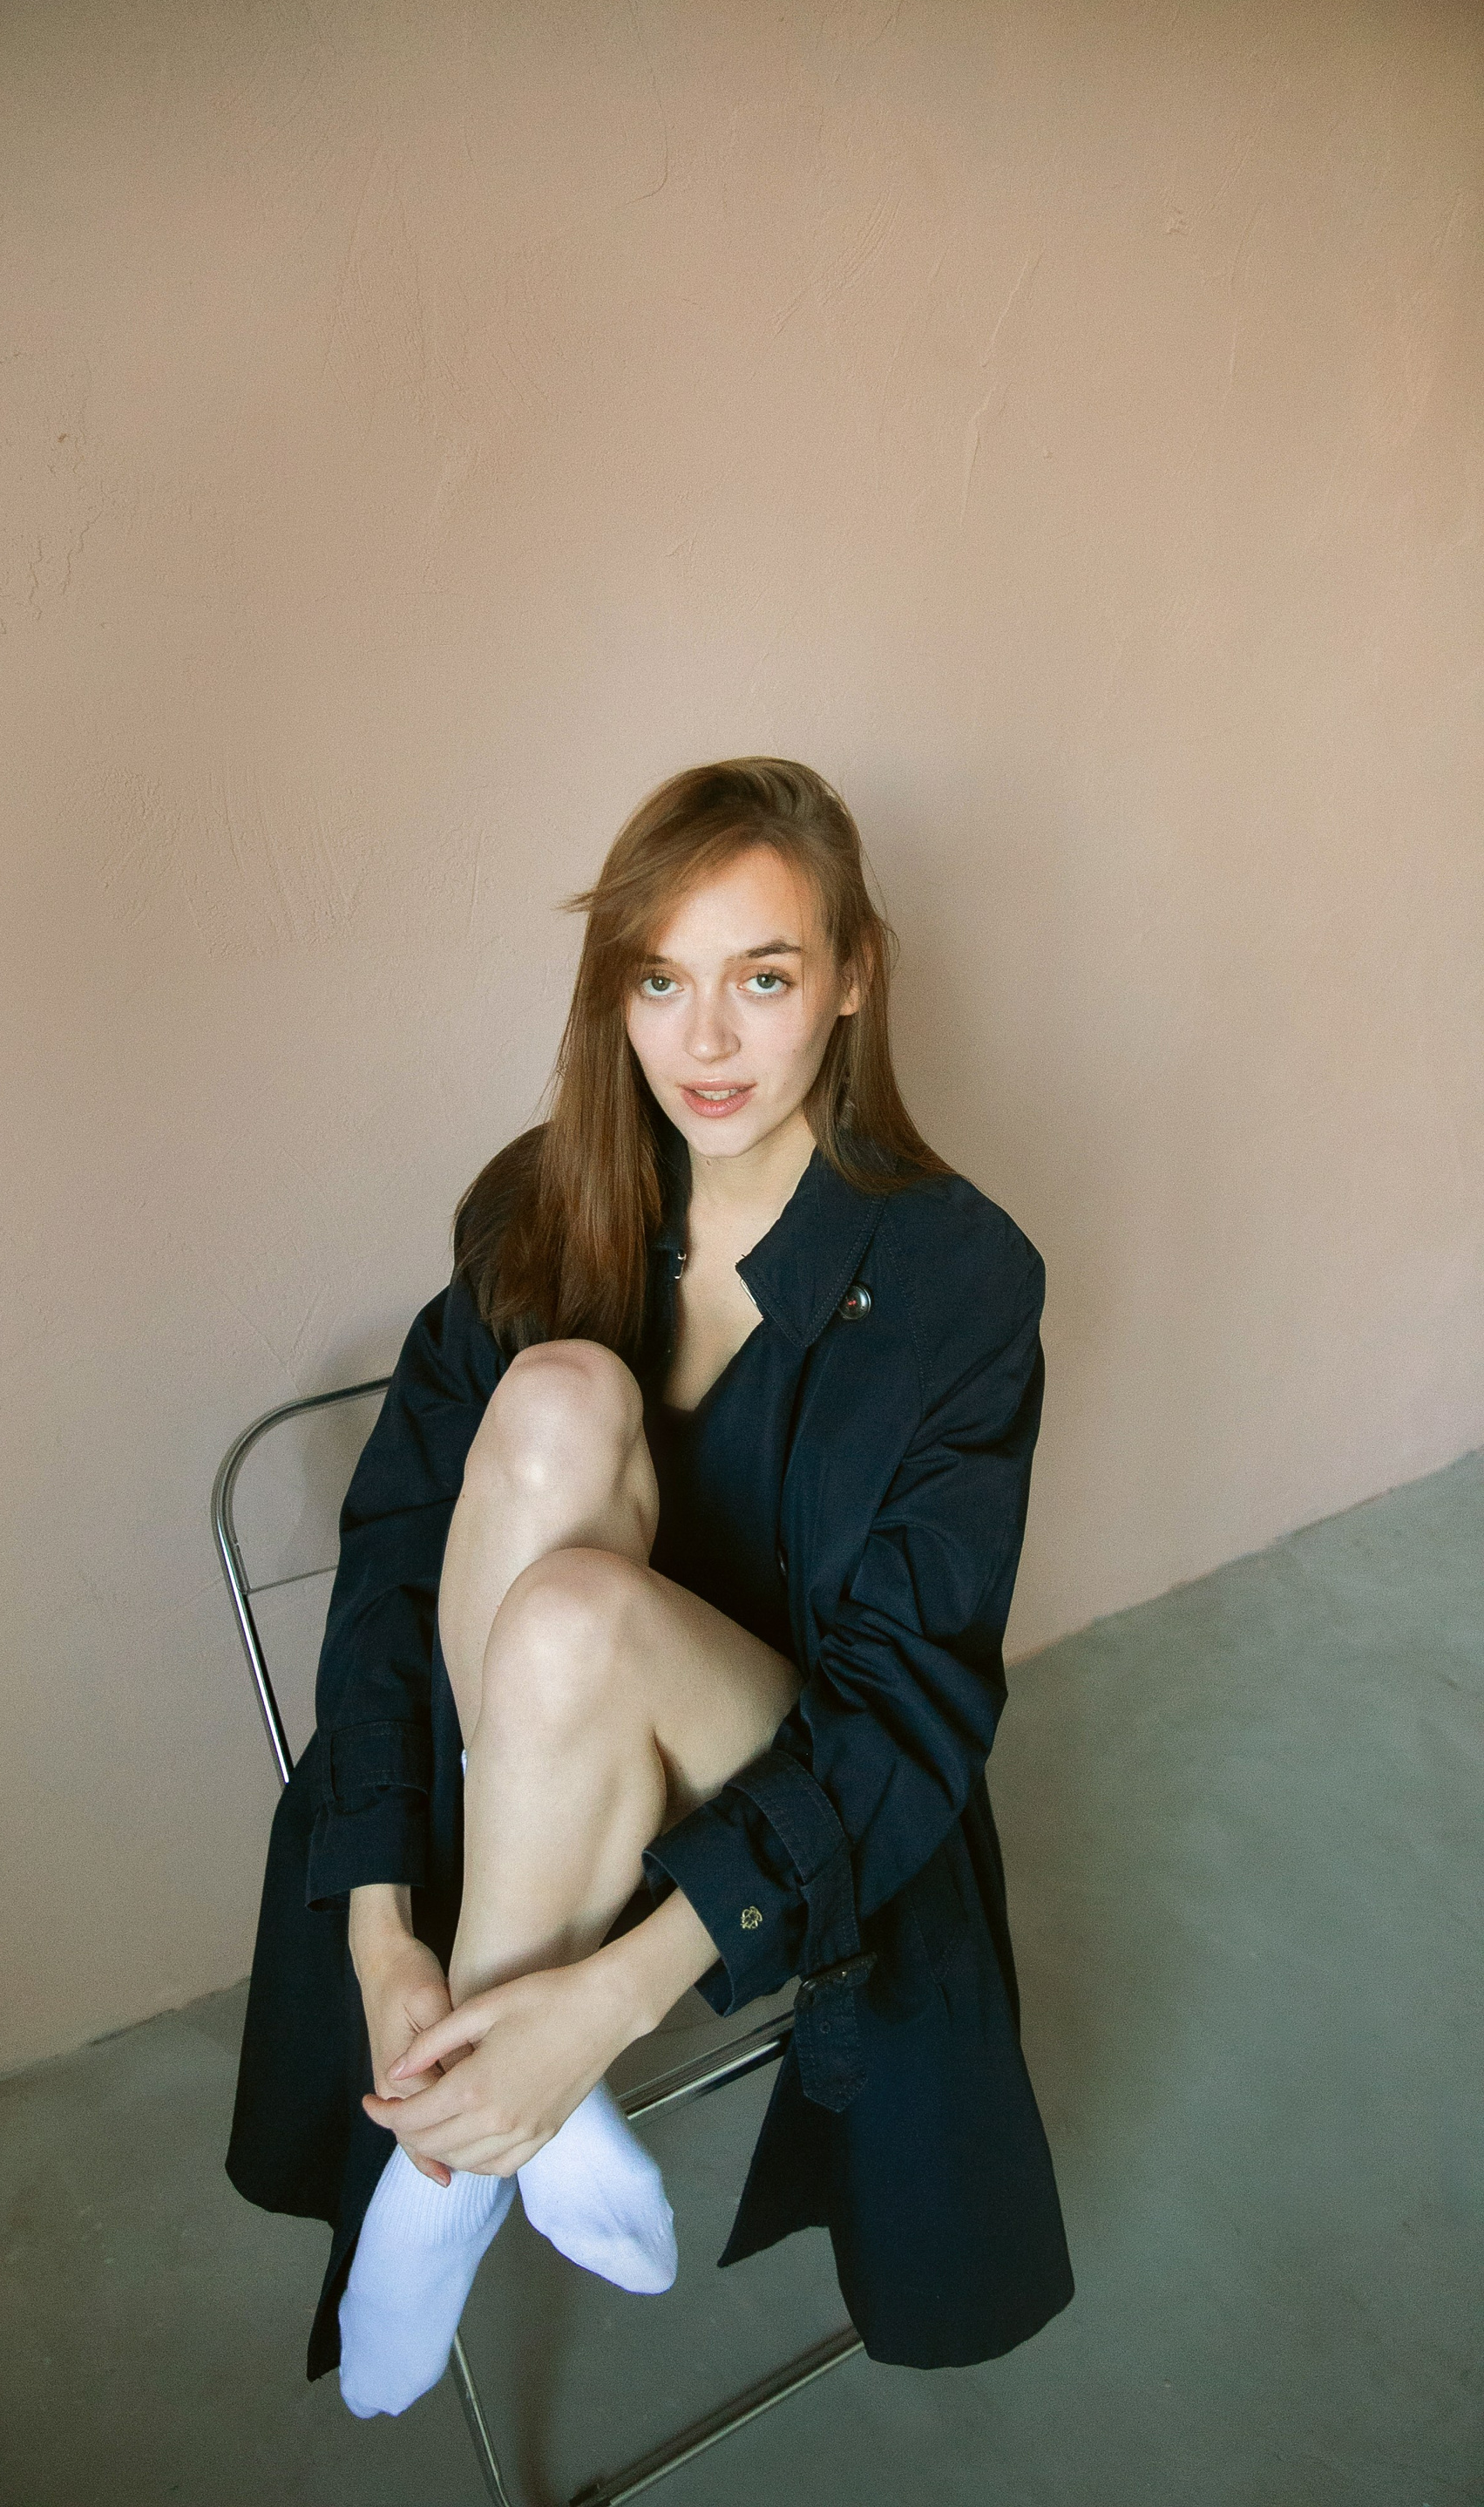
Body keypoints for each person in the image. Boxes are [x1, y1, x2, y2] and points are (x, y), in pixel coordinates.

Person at [226, 758, 1074, 2415]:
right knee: (556, 1407)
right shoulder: (544, 1204)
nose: (707, 1043)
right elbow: (396, 1561)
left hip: (779, 1768)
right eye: (661, 982)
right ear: (614, 995)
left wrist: (603, 2009)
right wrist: (384, 1940)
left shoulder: (961, 1280)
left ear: (852, 979)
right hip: (523, 1764)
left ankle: (450, 2169)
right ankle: (517, 2110)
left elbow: (908, 1702)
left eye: (763, 978)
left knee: (580, 1616)